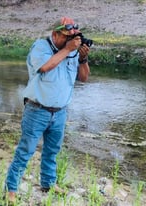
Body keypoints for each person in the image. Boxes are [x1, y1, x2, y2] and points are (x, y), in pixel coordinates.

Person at [5, 16, 90, 203]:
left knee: (52, 151)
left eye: (72, 37)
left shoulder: (72, 52)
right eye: (66, 36)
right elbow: (44, 67)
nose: (70, 40)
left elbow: (83, 78)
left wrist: (82, 59)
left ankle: (48, 183)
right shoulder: (41, 47)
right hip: (37, 110)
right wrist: (68, 49)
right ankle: (11, 189)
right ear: (55, 34)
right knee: (25, 151)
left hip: (60, 112)